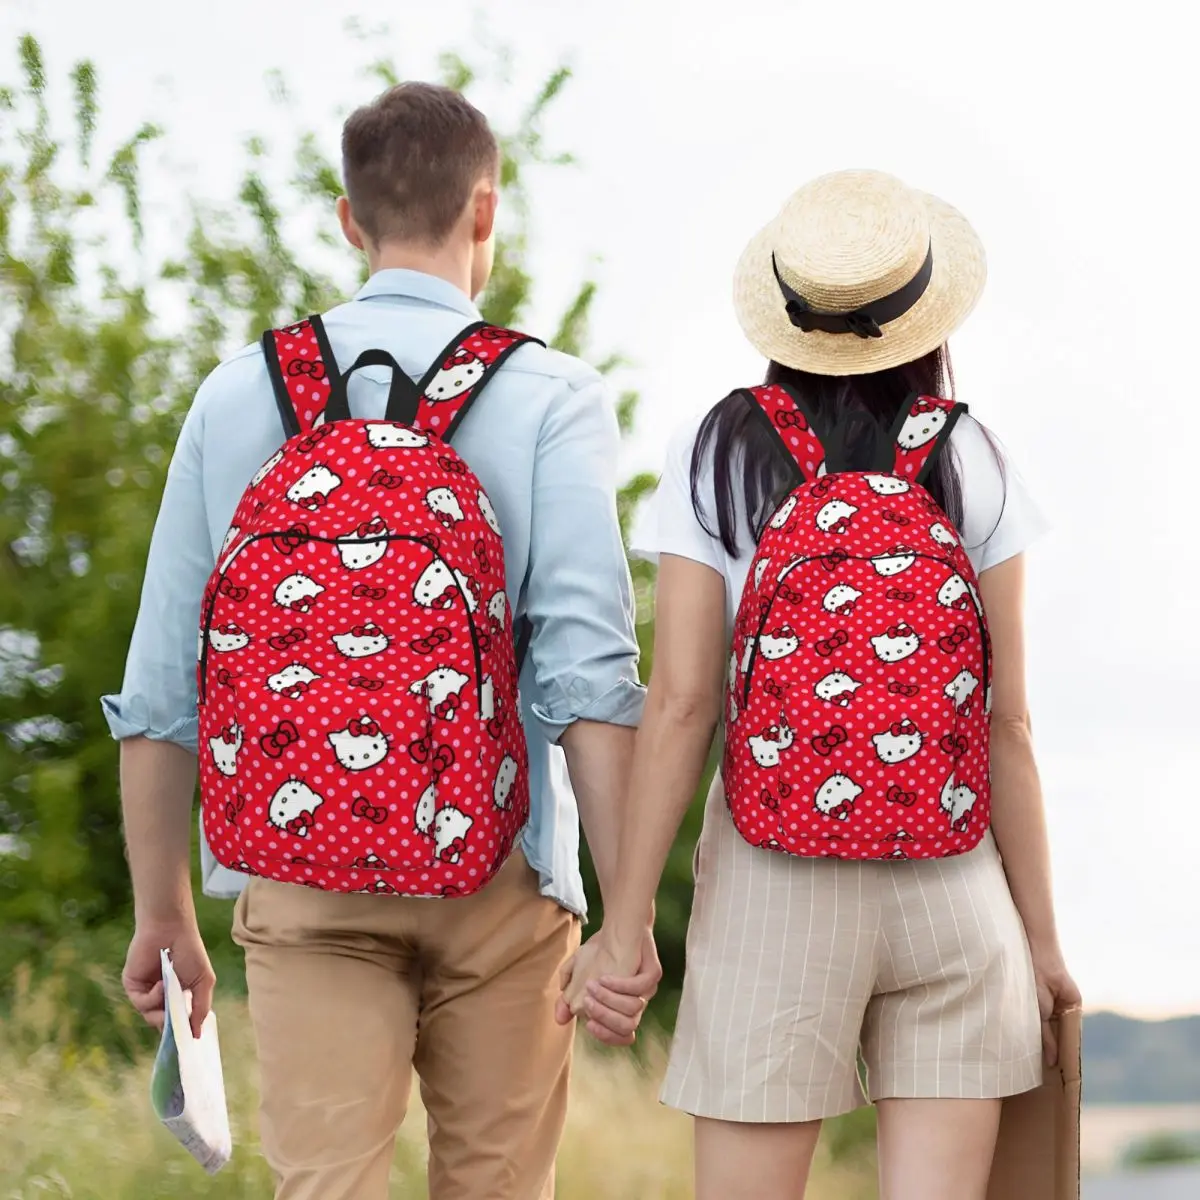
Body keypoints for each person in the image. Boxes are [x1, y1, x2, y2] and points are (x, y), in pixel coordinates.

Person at [105, 81, 661, 1200]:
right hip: (503, 874)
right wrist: (628, 916)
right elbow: (588, 678)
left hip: (301, 877)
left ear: (349, 220)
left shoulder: (237, 395)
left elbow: (165, 683)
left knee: (326, 1186)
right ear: (486, 213)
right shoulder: (551, 394)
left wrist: (163, 911)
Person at [560, 169, 1081, 1200]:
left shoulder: (717, 451)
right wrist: (1042, 944)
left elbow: (682, 706)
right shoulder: (974, 455)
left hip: (772, 879)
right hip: (954, 882)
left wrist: (624, 928)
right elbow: (1007, 722)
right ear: (925, 316)